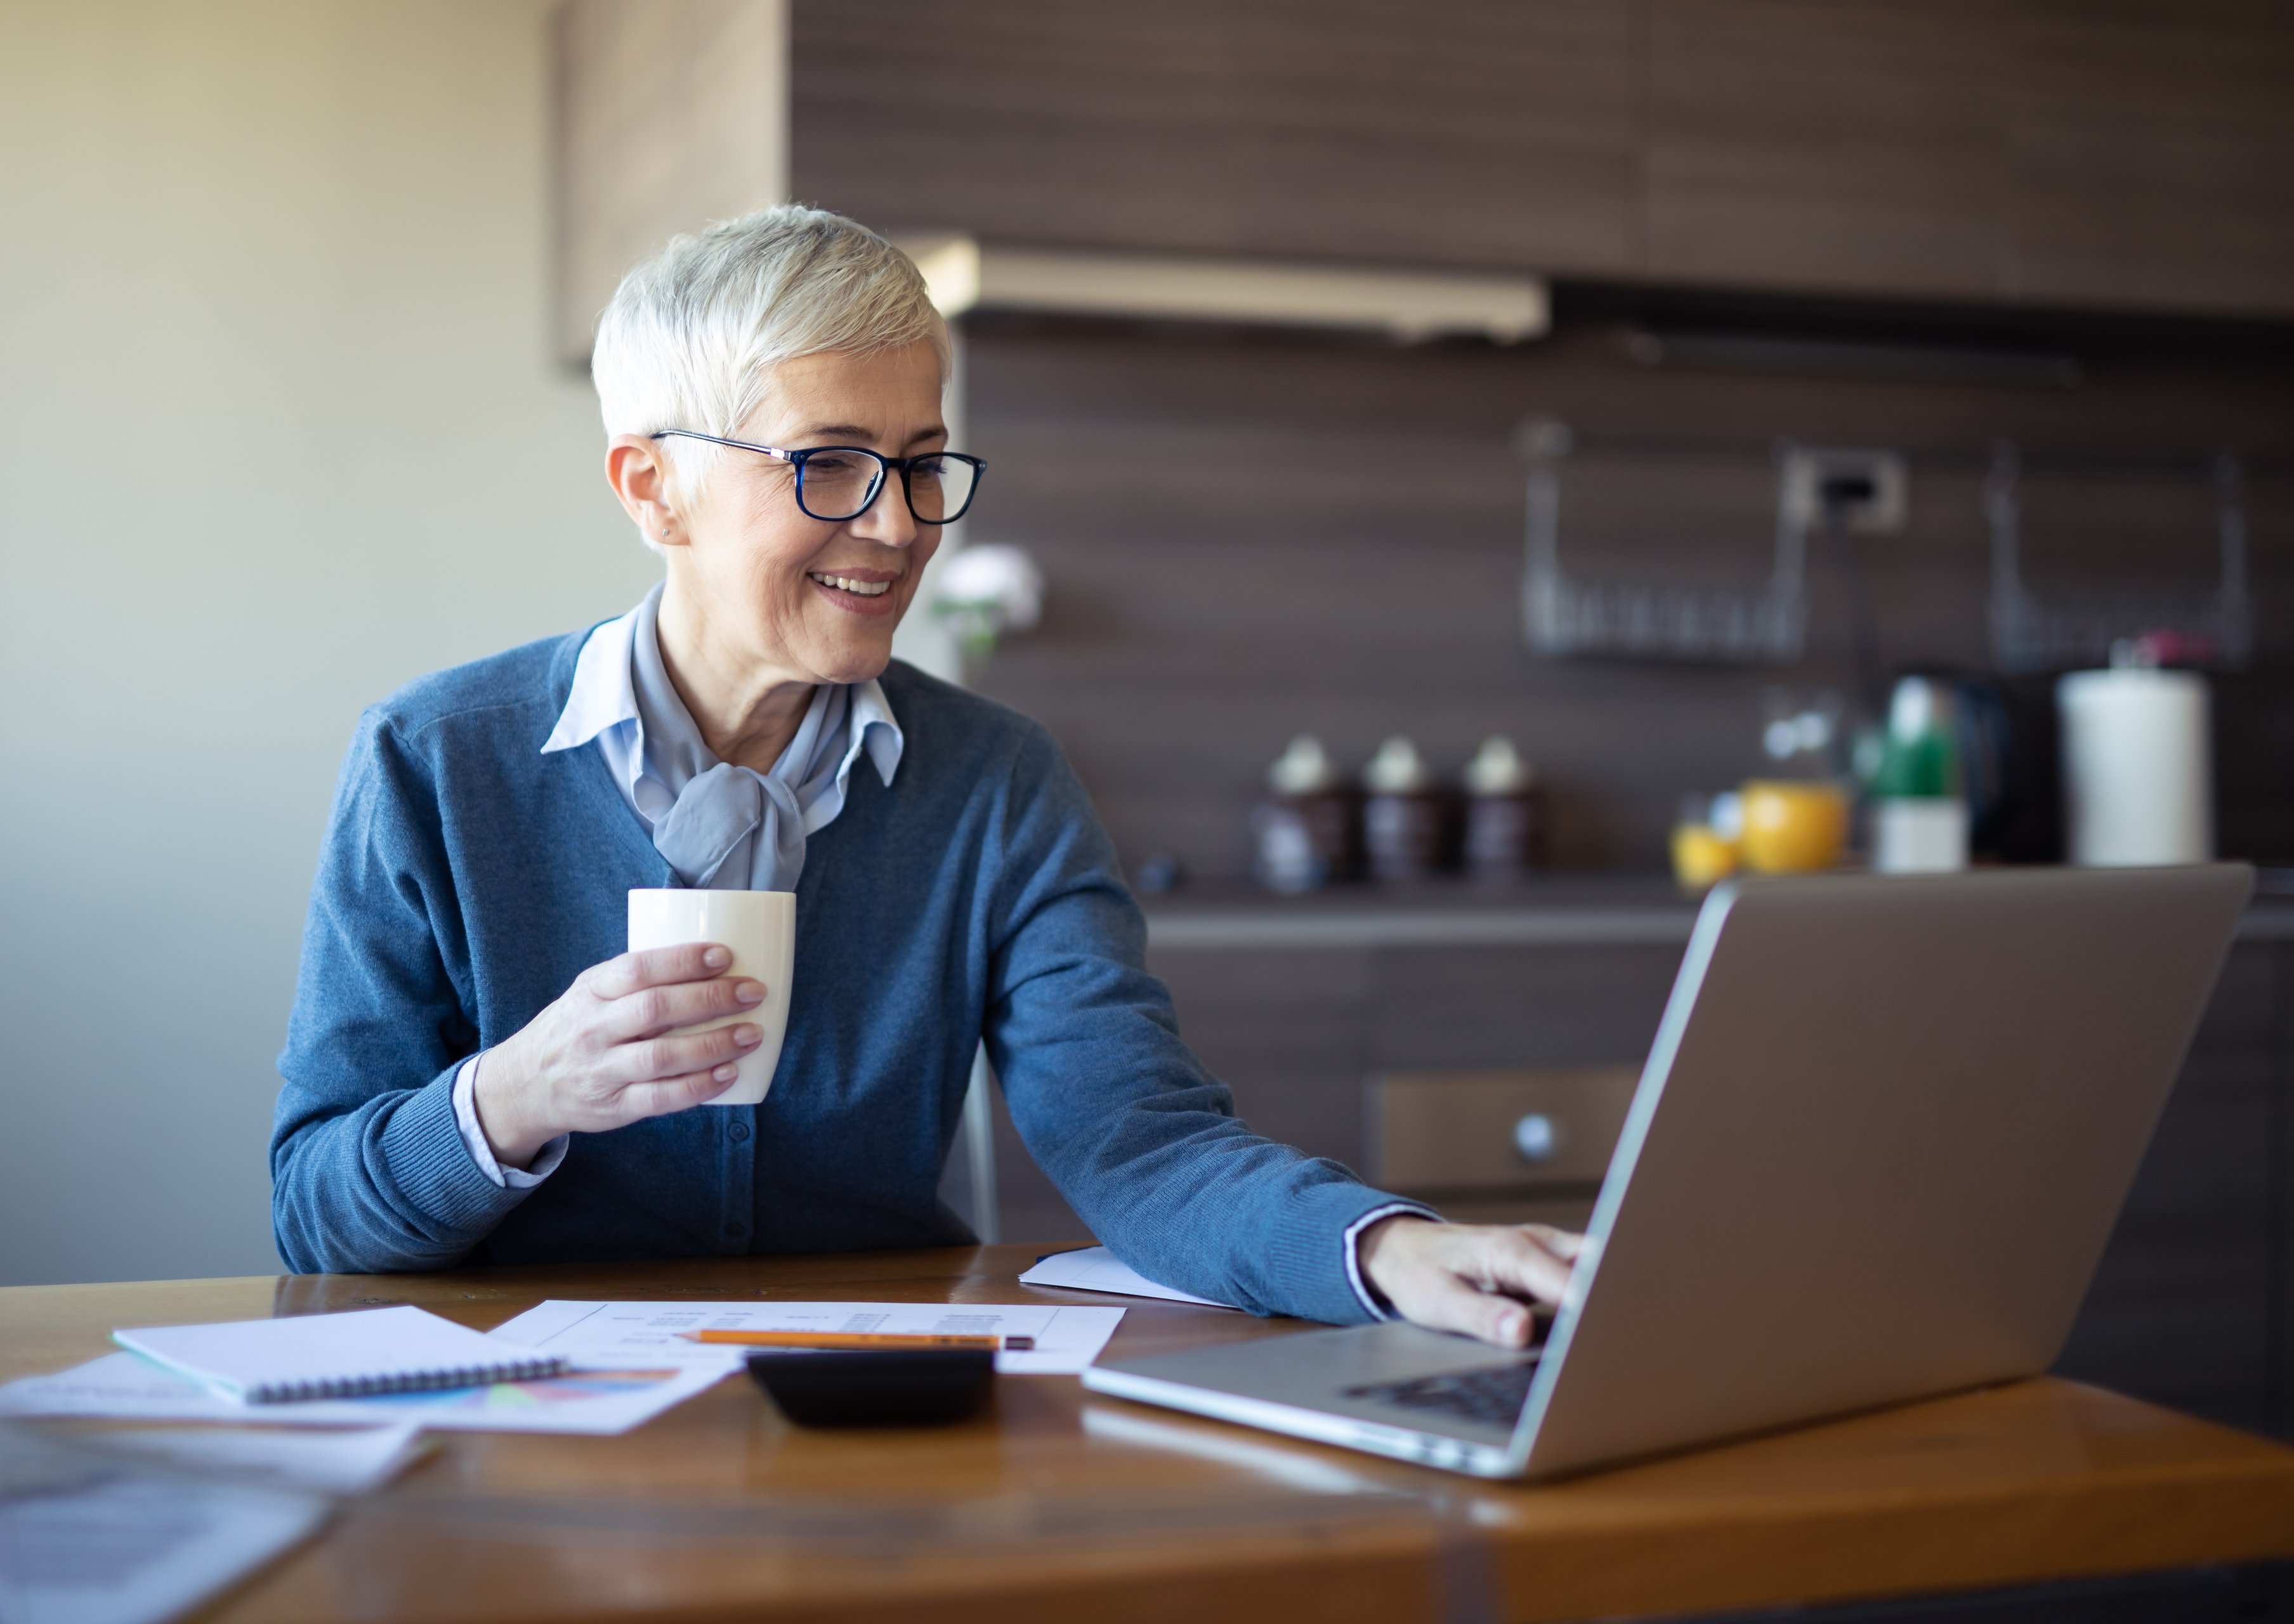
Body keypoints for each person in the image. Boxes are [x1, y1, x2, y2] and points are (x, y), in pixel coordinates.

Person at [270, 206, 1580, 1347]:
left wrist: (1386, 1247)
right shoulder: (434, 762)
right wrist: (514, 1096)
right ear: (654, 488)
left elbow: (1139, 1139)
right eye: (828, 462)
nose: (896, 525)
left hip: (879, 1417)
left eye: (917, 460)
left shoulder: (996, 781)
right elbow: (316, 1210)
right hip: (527, 1437)